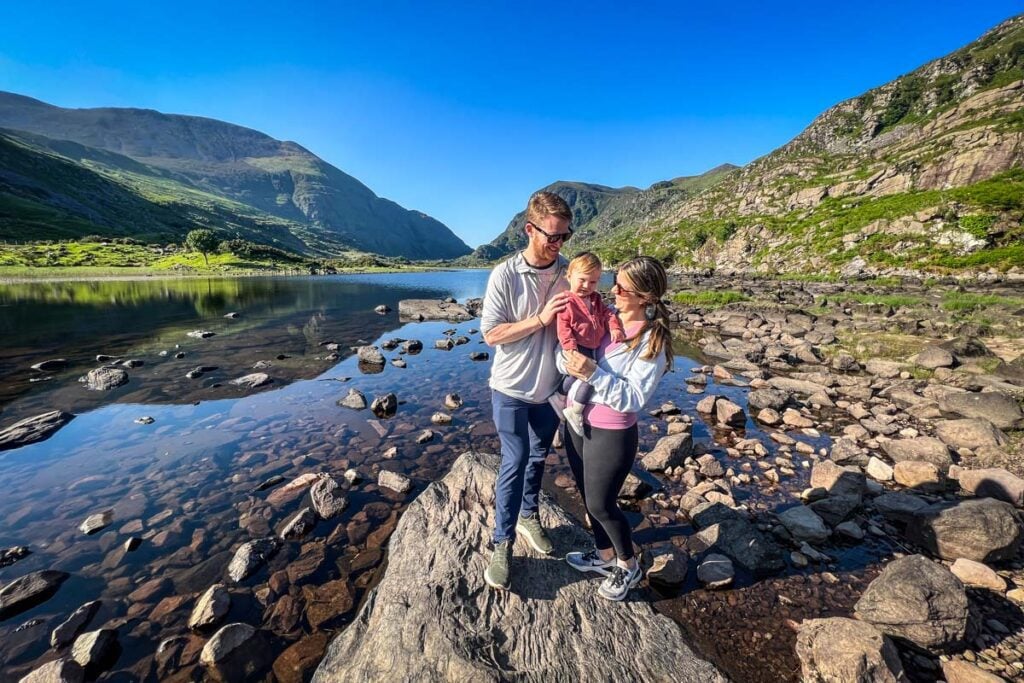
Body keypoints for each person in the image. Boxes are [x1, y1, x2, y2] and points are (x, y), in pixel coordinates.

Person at [558, 256, 674, 601]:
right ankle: (605, 556)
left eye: (622, 287)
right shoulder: (602, 315)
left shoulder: (652, 340)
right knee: (587, 496)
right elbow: (567, 351)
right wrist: (566, 361)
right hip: (578, 423)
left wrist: (592, 372)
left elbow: (632, 397)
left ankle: (628, 565)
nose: (613, 290)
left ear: (645, 296)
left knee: (602, 505)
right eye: (614, 282)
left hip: (612, 432)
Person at [479, 190, 574, 591]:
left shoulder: (570, 272)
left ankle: (529, 515)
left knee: (538, 457)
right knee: (515, 459)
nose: (558, 244)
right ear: (529, 230)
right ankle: (502, 543)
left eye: (565, 236)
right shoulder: (504, 274)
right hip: (511, 389)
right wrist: (539, 319)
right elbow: (491, 334)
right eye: (552, 236)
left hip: (549, 390)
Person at [556, 252, 625, 436]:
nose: (587, 286)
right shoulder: (566, 301)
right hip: (579, 345)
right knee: (589, 376)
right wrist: (570, 349)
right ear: (569, 276)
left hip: (593, 344)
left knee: (576, 376)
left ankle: (558, 396)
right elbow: (563, 328)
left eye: (593, 282)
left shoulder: (596, 299)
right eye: (582, 280)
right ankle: (576, 410)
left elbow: (608, 314)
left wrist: (615, 327)